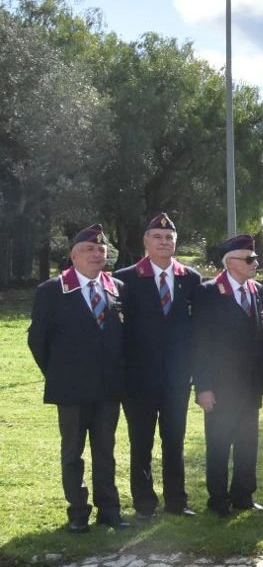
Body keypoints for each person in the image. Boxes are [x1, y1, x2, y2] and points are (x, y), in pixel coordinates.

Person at [28, 224, 128, 532]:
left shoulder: (117, 288)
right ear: (73, 256)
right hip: (71, 389)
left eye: (101, 249)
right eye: (89, 249)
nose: (97, 254)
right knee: (72, 453)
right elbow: (38, 341)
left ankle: (109, 510)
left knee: (105, 452)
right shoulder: (51, 291)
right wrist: (60, 373)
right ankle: (78, 512)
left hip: (108, 388)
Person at [115, 211, 199, 519]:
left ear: (175, 243)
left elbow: (196, 330)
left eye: (169, 238)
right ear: (146, 242)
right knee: (141, 444)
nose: (164, 242)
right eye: (157, 237)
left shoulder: (190, 279)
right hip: (138, 380)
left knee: (174, 442)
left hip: (177, 379)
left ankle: (177, 502)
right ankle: (145, 505)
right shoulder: (124, 278)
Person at [190, 234, 263, 517]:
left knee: (248, 444)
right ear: (230, 262)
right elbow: (200, 343)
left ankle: (244, 496)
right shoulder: (209, 292)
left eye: (255, 258)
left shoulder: (256, 290)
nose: (254, 263)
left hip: (250, 386)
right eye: (249, 259)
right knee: (220, 445)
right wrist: (204, 387)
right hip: (221, 387)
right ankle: (218, 500)